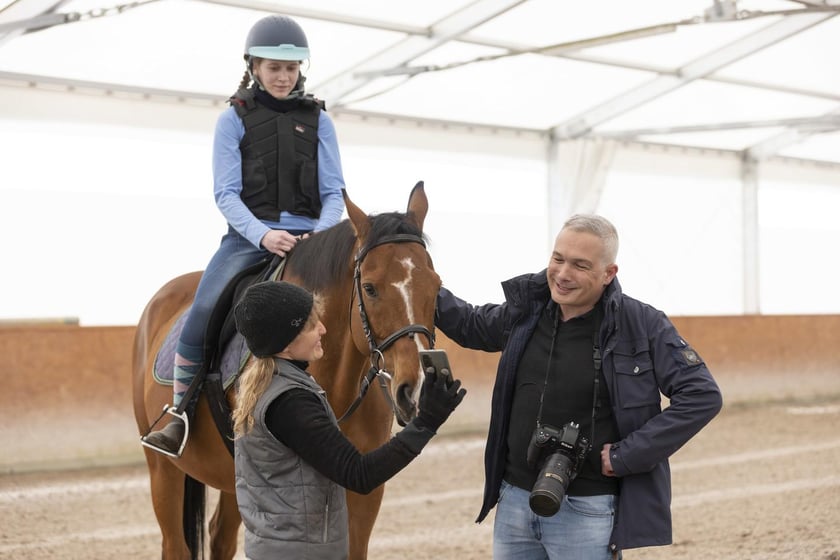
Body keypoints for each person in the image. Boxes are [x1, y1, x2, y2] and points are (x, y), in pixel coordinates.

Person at [435, 214, 722, 559]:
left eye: (580, 265)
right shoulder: (527, 311)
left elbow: (701, 395)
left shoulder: (641, 324)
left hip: (588, 507)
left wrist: (627, 455)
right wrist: (410, 275)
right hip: (513, 501)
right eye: (558, 259)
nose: (563, 274)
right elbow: (469, 324)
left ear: (608, 274)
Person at [143, 14, 346, 455]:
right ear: (254, 66)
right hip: (247, 238)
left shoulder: (319, 121)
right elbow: (226, 193)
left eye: (291, 68)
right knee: (201, 314)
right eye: (273, 67)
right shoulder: (233, 118)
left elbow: (334, 192)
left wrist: (322, 236)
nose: (283, 76)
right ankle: (179, 411)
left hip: (314, 240)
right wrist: (264, 236)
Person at [231, 280, 466, 558]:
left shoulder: (270, 385)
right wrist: (426, 422)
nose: (323, 329)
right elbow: (359, 474)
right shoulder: (290, 402)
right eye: (310, 325)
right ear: (284, 341)